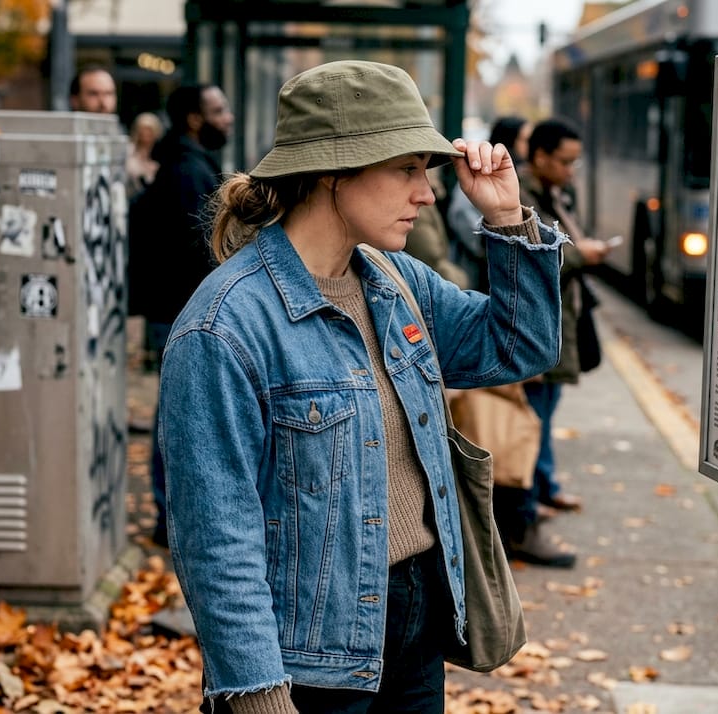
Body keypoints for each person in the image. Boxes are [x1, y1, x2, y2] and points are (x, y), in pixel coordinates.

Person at [158, 60, 567, 713]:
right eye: (405, 169)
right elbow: (216, 536)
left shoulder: (396, 283)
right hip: (308, 661)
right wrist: (259, 694)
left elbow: (521, 345)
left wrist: (510, 220)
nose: (426, 193)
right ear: (333, 171)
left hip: (415, 629)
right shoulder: (224, 328)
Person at [496, 118, 611, 566]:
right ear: (540, 156)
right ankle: (524, 514)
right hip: (537, 326)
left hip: (556, 324)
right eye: (565, 161)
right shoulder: (521, 196)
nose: (571, 170)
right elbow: (537, 256)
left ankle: (536, 496)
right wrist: (584, 255)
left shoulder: (556, 194)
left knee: (541, 416)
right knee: (529, 421)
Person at [131, 84, 234, 546]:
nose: (227, 118)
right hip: (181, 310)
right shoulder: (188, 171)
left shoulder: (183, 164)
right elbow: (199, 250)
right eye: (218, 110)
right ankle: (168, 517)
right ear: (194, 119)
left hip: (174, 308)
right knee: (179, 414)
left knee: (176, 410)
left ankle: (168, 515)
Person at [447, 116, 531, 293]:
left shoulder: (522, 174)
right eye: (525, 139)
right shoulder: (485, 172)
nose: (529, 145)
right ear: (511, 139)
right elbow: (461, 214)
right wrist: (488, 238)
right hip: (476, 271)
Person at [125, 112, 162, 199]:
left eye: (149, 129)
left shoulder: (159, 154)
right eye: (142, 129)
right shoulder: (129, 151)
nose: (145, 133)